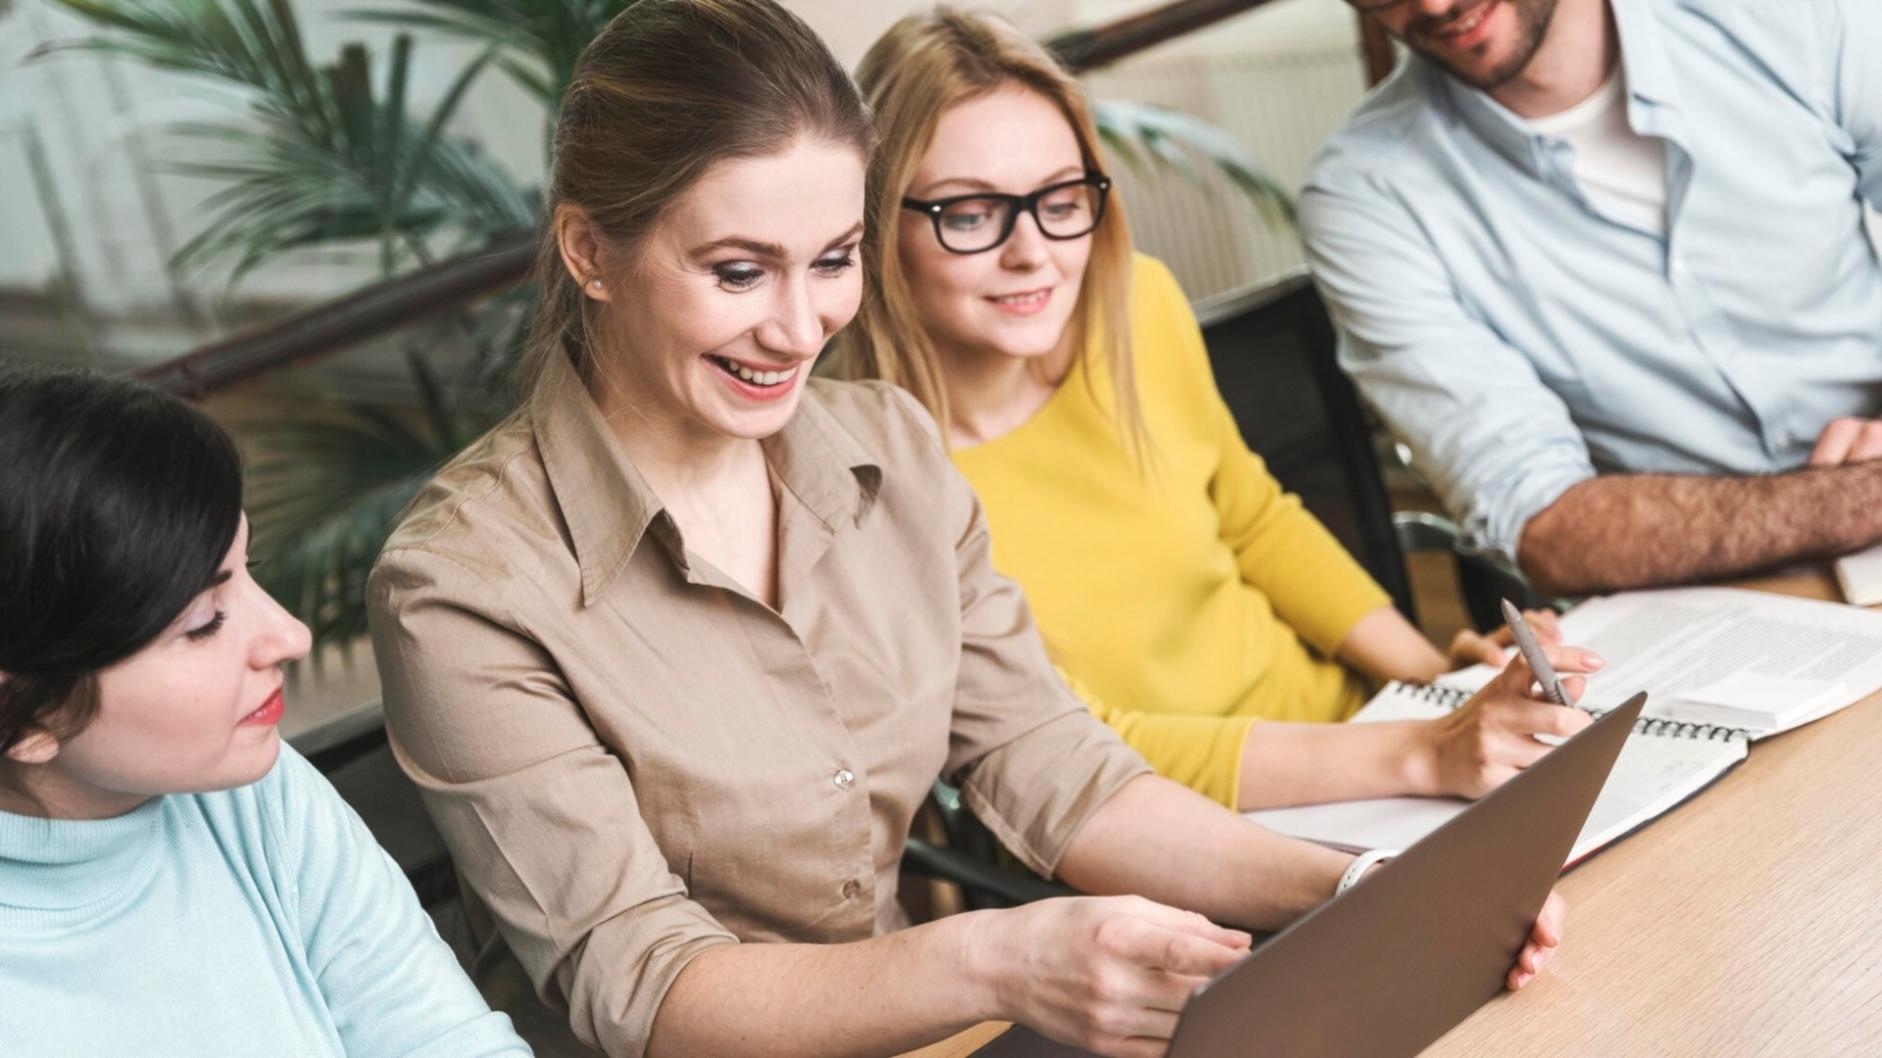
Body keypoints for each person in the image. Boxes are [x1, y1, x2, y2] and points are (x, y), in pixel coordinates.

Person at [364, 2, 1569, 1057]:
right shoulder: (463, 586)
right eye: (739, 271)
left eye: (832, 259)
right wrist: (994, 961)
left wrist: (1358, 887)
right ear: (591, 250)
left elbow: (1051, 763)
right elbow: (643, 986)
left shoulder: (885, 444)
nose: (801, 326)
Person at [834, 8, 1599, 814]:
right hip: (1196, 830)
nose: (1034, 251)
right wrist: (1420, 752)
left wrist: (1437, 683)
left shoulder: (1136, 307)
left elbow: (1254, 520)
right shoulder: (864, 480)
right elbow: (1072, 750)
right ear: (877, 221)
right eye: (970, 213)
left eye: (1061, 198)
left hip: (1363, 740)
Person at [0, 365, 530, 1057]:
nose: (290, 635)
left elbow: (443, 1041)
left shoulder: (254, 793)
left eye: (249, 566)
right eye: (201, 622)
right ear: (23, 713)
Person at [1302, 0, 1882, 596]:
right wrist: (1854, 497)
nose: (1434, 5)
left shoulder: (1795, 16)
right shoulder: (1364, 197)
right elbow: (1543, 526)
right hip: (1707, 603)